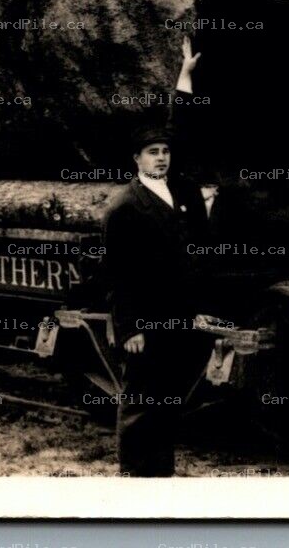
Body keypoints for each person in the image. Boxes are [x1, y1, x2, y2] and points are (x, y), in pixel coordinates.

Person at [103, 38, 213, 476]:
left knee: (170, 398)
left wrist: (184, 77)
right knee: (140, 400)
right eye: (153, 153)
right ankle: (133, 471)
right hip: (146, 321)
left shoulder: (182, 189)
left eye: (165, 152)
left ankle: (160, 471)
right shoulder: (124, 207)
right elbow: (117, 272)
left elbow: (181, 129)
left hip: (182, 317)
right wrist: (128, 326)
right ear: (137, 160)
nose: (162, 158)